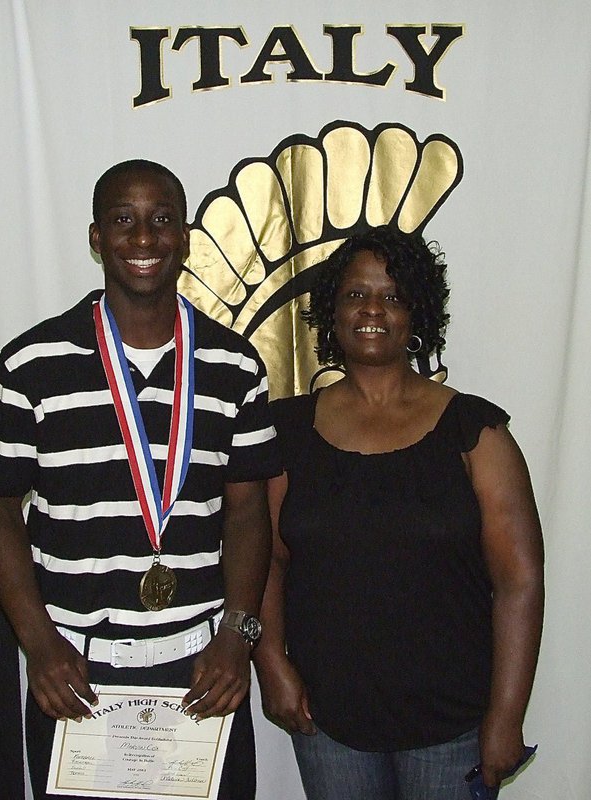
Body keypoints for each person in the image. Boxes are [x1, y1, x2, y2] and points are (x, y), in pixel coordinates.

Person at [0, 159, 281, 800]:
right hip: (76, 671)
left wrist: (237, 636)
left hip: (203, 667)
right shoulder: (31, 365)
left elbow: (248, 513)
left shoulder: (234, 366)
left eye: (163, 220)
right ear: (95, 237)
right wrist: (38, 642)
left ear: (187, 236)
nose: (145, 239)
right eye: (124, 221)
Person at [253, 225, 544, 800]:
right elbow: (265, 562)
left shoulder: (475, 432)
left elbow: (520, 582)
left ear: (418, 314)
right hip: (327, 716)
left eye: (392, 296)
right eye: (356, 294)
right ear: (331, 310)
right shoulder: (285, 432)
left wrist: (506, 718)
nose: (372, 310)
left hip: (452, 720)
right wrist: (271, 663)